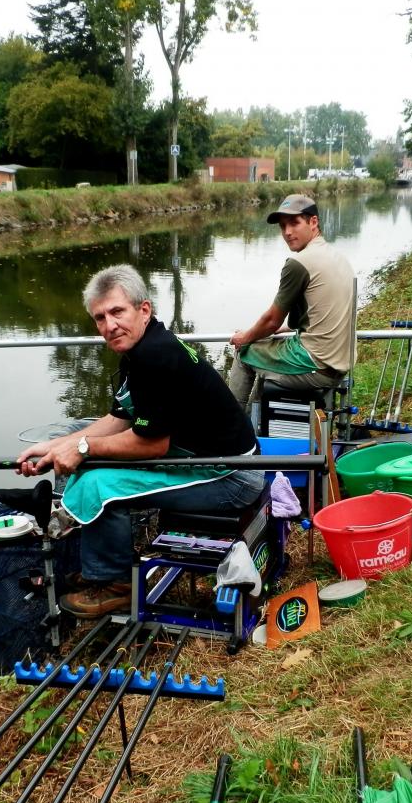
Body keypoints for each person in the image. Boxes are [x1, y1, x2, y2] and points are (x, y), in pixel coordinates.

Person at [15, 264, 264, 618]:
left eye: (117, 311)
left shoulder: (154, 357)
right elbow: (120, 418)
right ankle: (99, 570)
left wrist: (83, 449)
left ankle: (117, 584)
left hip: (232, 476)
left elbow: (152, 445)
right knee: (94, 466)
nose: (109, 325)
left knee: (101, 482)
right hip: (205, 459)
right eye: (100, 318)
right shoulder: (144, 348)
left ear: (143, 309)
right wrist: (56, 447)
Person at [228, 194, 356, 407]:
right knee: (264, 353)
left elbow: (271, 321)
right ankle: (256, 425)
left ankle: (229, 429)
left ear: (313, 222)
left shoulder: (298, 263)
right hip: (338, 363)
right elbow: (321, 313)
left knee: (245, 354)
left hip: (317, 365)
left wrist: (244, 338)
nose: (287, 232)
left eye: (294, 223)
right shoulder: (337, 257)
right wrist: (286, 329)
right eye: (283, 226)